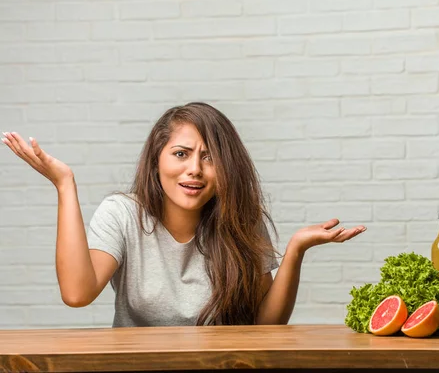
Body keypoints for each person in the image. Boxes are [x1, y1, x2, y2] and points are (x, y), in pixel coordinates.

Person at [2, 102, 366, 327]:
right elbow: (77, 294)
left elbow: (265, 323)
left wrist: (295, 251)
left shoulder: (241, 219)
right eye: (181, 154)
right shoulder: (123, 214)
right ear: (157, 159)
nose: (195, 169)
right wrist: (65, 185)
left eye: (210, 157)